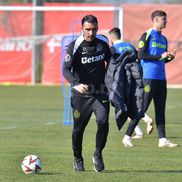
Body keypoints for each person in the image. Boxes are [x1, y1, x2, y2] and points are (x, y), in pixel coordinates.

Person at [62, 15, 111, 172]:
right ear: (82, 29)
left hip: (100, 92)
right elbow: (65, 69)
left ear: (97, 27)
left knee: (103, 122)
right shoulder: (75, 45)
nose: (91, 32)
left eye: (94, 29)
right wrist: (76, 84)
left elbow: (112, 62)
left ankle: (97, 154)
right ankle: (77, 158)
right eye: (87, 29)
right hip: (81, 96)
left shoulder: (103, 43)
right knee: (78, 130)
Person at [138, 10, 178, 147]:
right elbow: (141, 55)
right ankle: (129, 135)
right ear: (155, 20)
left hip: (161, 78)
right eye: (163, 19)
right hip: (148, 77)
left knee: (160, 109)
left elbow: (161, 60)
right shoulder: (147, 35)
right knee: (141, 108)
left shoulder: (164, 39)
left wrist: (168, 58)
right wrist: (160, 57)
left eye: (165, 19)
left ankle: (162, 140)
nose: (166, 21)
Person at [107, 27, 144, 147]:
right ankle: (135, 132)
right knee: (136, 105)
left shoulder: (113, 49)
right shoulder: (130, 46)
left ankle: (136, 130)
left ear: (111, 38)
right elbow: (138, 61)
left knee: (123, 104)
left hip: (122, 82)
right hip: (134, 82)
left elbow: (111, 68)